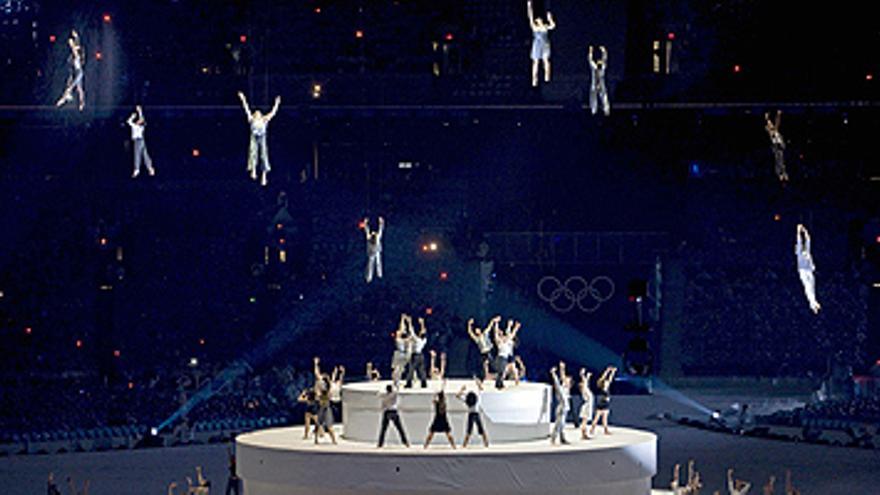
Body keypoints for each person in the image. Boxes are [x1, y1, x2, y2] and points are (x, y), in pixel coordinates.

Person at [237, 91, 281, 186]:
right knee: (253, 152)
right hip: (254, 136)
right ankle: (253, 170)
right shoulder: (251, 118)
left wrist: (277, 103)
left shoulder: (264, 119)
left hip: (262, 136)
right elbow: (246, 108)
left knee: (263, 154)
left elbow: (273, 113)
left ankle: (264, 176)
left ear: (261, 115)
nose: (257, 112)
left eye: (258, 112)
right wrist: (243, 98)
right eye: (255, 112)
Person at [527, 1, 555, 87]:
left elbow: (553, 26)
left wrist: (550, 19)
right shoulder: (535, 27)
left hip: (545, 44)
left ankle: (547, 75)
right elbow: (530, 17)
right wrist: (529, 7)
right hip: (537, 44)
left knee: (545, 60)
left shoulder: (545, 26)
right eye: (538, 20)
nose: (539, 20)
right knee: (535, 61)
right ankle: (534, 79)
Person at [56, 30, 85, 111]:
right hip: (75, 72)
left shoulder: (77, 54)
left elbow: (76, 47)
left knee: (72, 87)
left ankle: (64, 98)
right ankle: (81, 103)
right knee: (78, 88)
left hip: (78, 72)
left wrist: (76, 37)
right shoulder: (73, 56)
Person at [456, 378, 489, 447]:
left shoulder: (467, 400)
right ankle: (486, 444)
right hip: (476, 414)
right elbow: (481, 390)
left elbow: (457, 396)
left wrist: (462, 390)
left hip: (470, 415)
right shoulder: (477, 400)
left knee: (469, 431)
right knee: (481, 430)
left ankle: (464, 445)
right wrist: (478, 384)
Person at [795, 224, 821, 313]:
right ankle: (812, 304)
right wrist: (798, 231)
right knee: (807, 287)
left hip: (809, 270)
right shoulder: (799, 252)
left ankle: (814, 302)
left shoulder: (807, 251)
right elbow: (799, 241)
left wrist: (805, 230)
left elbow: (808, 240)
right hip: (803, 271)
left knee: (812, 286)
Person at [424, 379, 456, 449]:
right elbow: (442, 394)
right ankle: (454, 446)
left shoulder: (438, 403)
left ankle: (425, 446)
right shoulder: (444, 403)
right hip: (443, 419)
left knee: (431, 434)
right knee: (448, 434)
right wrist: (443, 385)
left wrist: (436, 393)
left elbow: (434, 400)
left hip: (437, 419)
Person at [377, 383, 410, 448]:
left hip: (386, 412)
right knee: (400, 428)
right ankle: (406, 443)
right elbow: (398, 390)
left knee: (383, 429)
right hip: (394, 411)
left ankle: (380, 444)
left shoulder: (384, 396)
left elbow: (378, 394)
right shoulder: (394, 394)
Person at [127, 105, 155, 178]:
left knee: (137, 154)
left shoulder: (136, 126)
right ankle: (150, 168)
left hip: (138, 141)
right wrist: (140, 111)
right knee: (144, 154)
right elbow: (141, 118)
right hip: (141, 140)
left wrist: (132, 117)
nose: (138, 120)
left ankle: (137, 169)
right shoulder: (138, 126)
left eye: (139, 121)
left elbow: (129, 122)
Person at [493, 319, 522, 389]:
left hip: (506, 356)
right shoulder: (499, 341)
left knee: (507, 370)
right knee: (502, 371)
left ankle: (502, 383)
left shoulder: (507, 340)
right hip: (501, 357)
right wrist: (496, 324)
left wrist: (514, 327)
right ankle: (499, 384)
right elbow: (496, 333)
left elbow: (511, 334)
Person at [589, 365, 617, 436]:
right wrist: (607, 371)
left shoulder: (606, 387)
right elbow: (604, 378)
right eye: (606, 382)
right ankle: (593, 429)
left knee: (603, 418)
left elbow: (610, 379)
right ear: (604, 383)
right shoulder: (603, 387)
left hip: (604, 403)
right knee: (598, 417)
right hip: (603, 403)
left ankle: (603, 430)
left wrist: (612, 372)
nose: (608, 382)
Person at [550, 364, 571, 444]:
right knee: (558, 424)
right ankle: (553, 439)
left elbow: (563, 376)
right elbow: (557, 382)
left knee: (562, 425)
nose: (568, 382)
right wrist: (554, 374)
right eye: (567, 381)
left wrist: (562, 368)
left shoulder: (566, 389)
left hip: (565, 408)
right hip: (561, 408)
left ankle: (562, 439)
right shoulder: (561, 389)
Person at [765, 110, 788, 182]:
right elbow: (777, 123)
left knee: (780, 160)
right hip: (777, 147)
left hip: (778, 147)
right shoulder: (773, 132)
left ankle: (782, 173)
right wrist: (778, 115)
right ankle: (782, 173)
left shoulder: (774, 132)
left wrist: (767, 118)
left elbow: (773, 123)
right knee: (779, 160)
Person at [406, 317, 428, 388]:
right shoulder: (424, 340)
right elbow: (424, 331)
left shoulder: (417, 340)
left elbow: (411, 331)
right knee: (421, 369)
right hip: (421, 355)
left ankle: (409, 383)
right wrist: (422, 323)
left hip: (415, 356)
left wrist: (409, 322)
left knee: (411, 369)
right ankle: (423, 383)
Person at [588, 45, 610, 116]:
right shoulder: (594, 67)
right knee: (594, 96)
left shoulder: (602, 68)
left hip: (601, 84)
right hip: (594, 84)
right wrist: (590, 51)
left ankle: (606, 110)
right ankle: (594, 110)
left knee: (604, 96)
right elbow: (590, 60)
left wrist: (604, 51)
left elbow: (605, 59)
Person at [390, 314, 412, 386]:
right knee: (400, 369)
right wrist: (409, 323)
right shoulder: (408, 340)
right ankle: (397, 380)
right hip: (405, 354)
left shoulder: (399, 340)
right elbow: (410, 332)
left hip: (399, 353)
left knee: (396, 368)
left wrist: (402, 319)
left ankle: (396, 381)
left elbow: (400, 330)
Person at [363, 216, 385, 283]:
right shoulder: (370, 237)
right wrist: (365, 223)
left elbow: (380, 229)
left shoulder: (376, 237)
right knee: (371, 264)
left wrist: (381, 223)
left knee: (376, 263)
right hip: (372, 252)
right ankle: (370, 277)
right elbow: (367, 230)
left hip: (375, 251)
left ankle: (378, 275)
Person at [578, 368, 594, 439]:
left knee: (585, 421)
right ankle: (583, 435)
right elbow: (585, 382)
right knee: (584, 421)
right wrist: (582, 374)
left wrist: (588, 376)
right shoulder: (584, 389)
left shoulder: (585, 389)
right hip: (587, 406)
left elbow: (586, 382)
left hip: (587, 405)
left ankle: (584, 434)